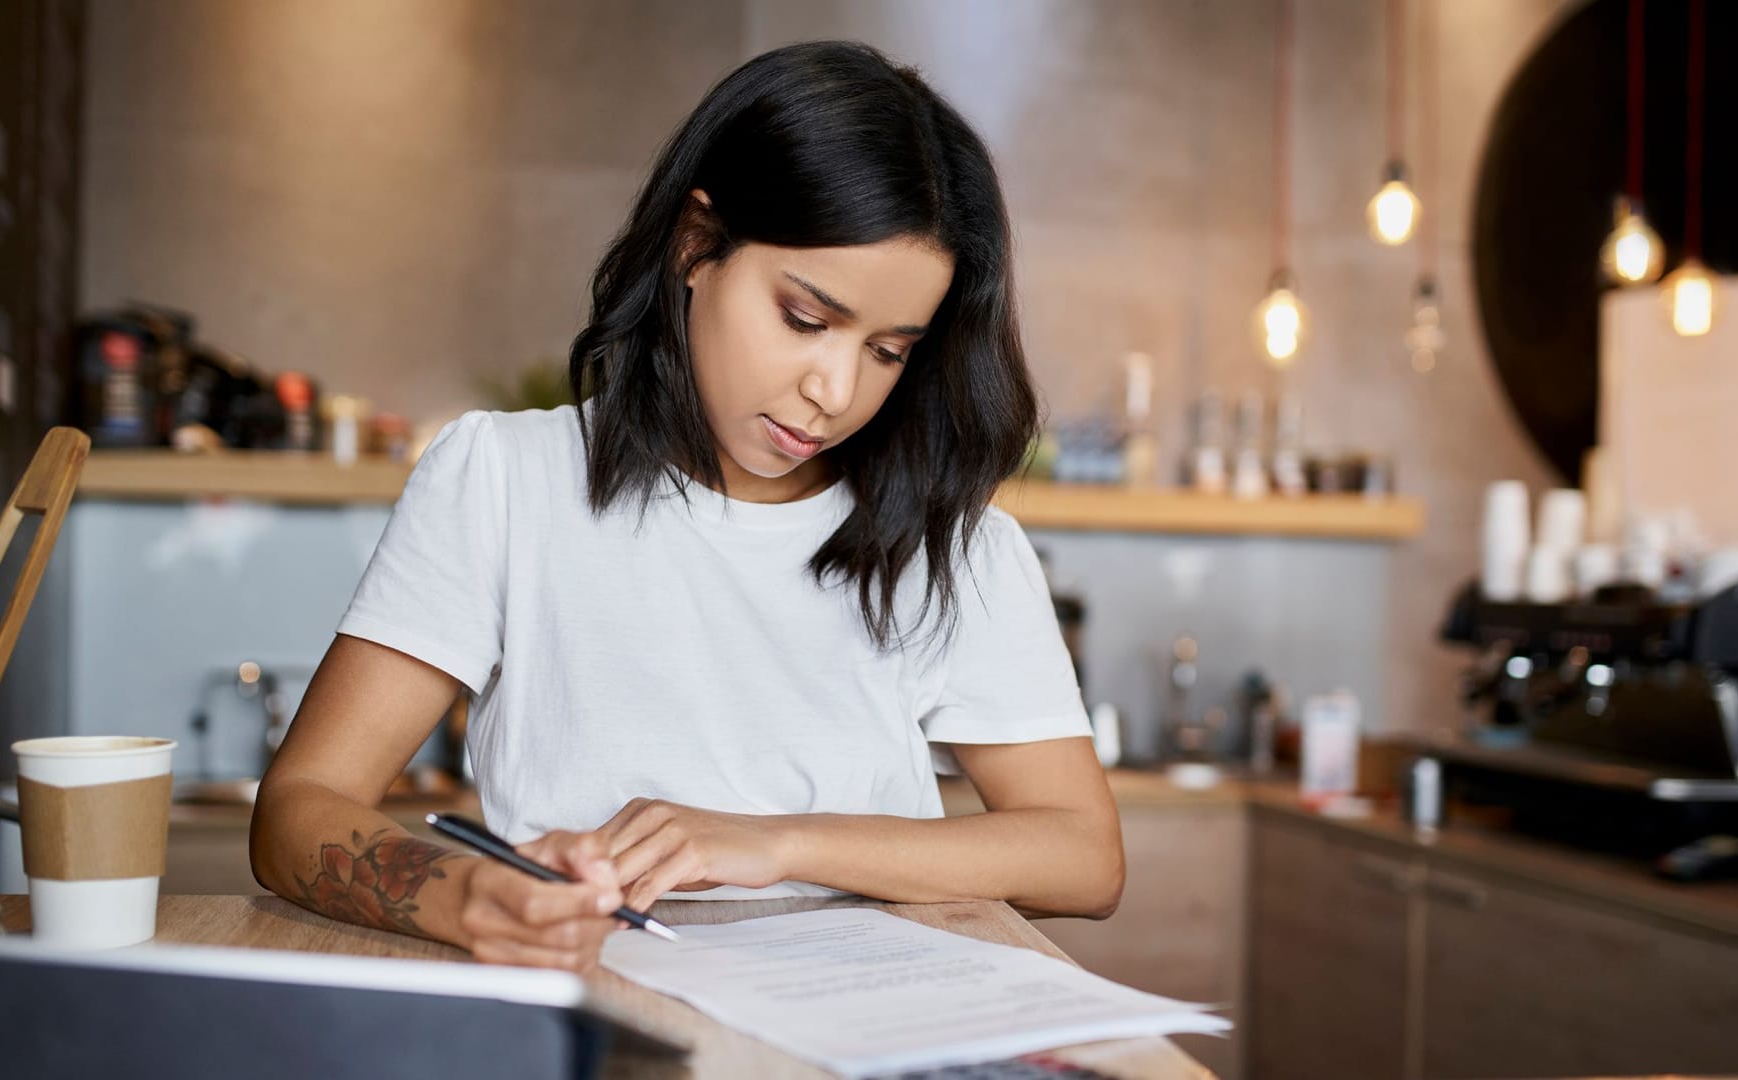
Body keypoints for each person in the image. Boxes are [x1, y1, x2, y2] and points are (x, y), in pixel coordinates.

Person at [250, 40, 1122, 972]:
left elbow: (1084, 857)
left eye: (888, 351)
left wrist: (773, 843)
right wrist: (468, 897)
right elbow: (299, 807)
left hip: (874, 1025)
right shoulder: (506, 479)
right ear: (696, 245)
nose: (835, 389)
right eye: (806, 318)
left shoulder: (955, 544)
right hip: (595, 1003)